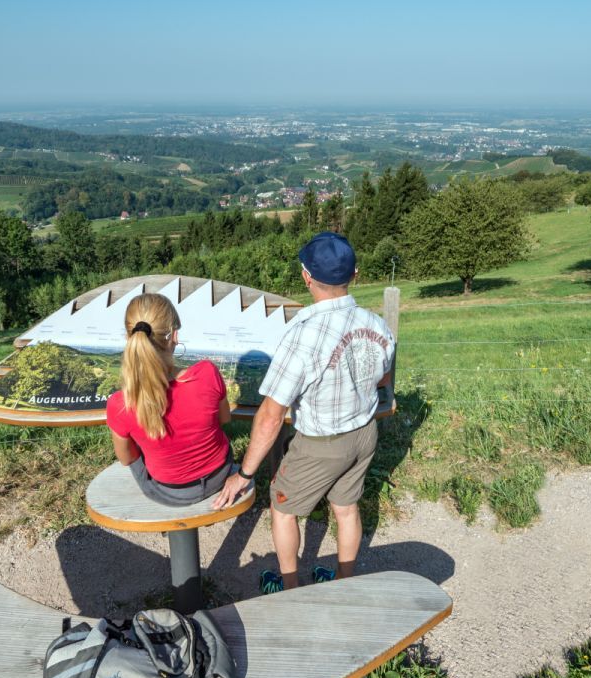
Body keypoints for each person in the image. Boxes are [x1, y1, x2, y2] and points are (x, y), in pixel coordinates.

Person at [212, 232, 394, 593]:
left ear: (306, 277)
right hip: (364, 432)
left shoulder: (303, 335)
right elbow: (383, 378)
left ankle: (291, 589)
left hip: (319, 444)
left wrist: (245, 473)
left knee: (283, 509)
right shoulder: (376, 324)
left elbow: (271, 414)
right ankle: (343, 583)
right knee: (347, 509)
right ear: (354, 274)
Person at [106, 293, 241, 506]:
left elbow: (126, 458)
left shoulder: (121, 404)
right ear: (174, 336)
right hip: (219, 475)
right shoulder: (207, 373)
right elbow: (224, 419)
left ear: (128, 338)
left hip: (169, 492)